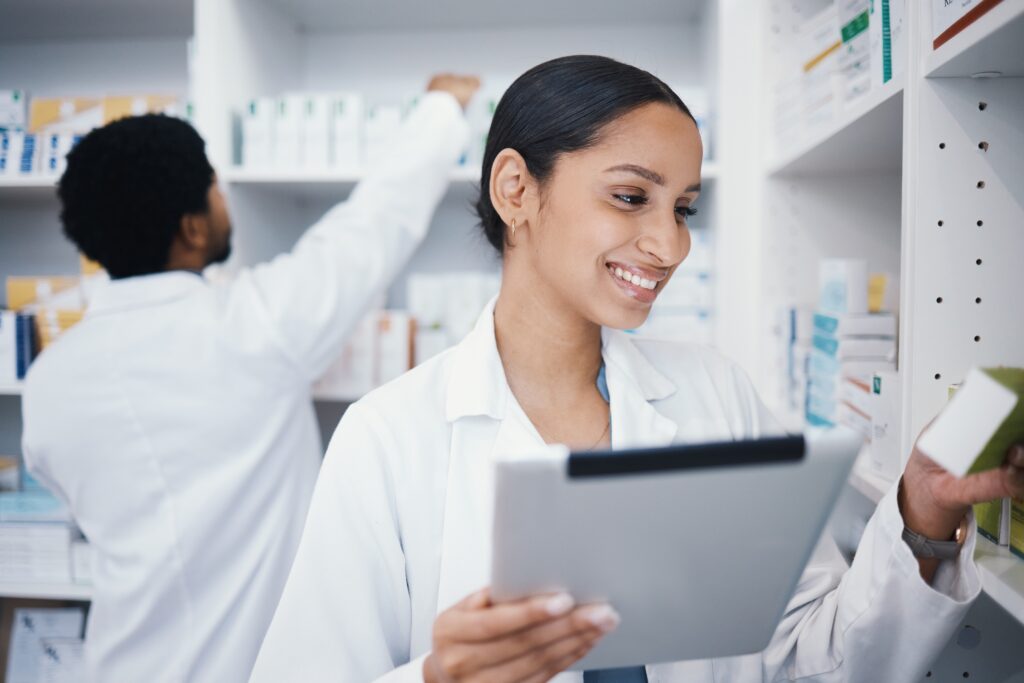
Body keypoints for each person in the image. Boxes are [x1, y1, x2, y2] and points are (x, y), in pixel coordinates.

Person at [250, 56, 1024, 682]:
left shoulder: (715, 395)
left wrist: (921, 517)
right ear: (516, 189)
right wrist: (438, 678)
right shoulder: (388, 437)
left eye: (683, 207)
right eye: (630, 197)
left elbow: (814, 663)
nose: (670, 244)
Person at [20, 74, 480, 682]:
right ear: (191, 227)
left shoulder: (51, 375)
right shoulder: (255, 328)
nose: (223, 201)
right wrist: (442, 109)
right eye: (214, 187)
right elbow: (374, 224)